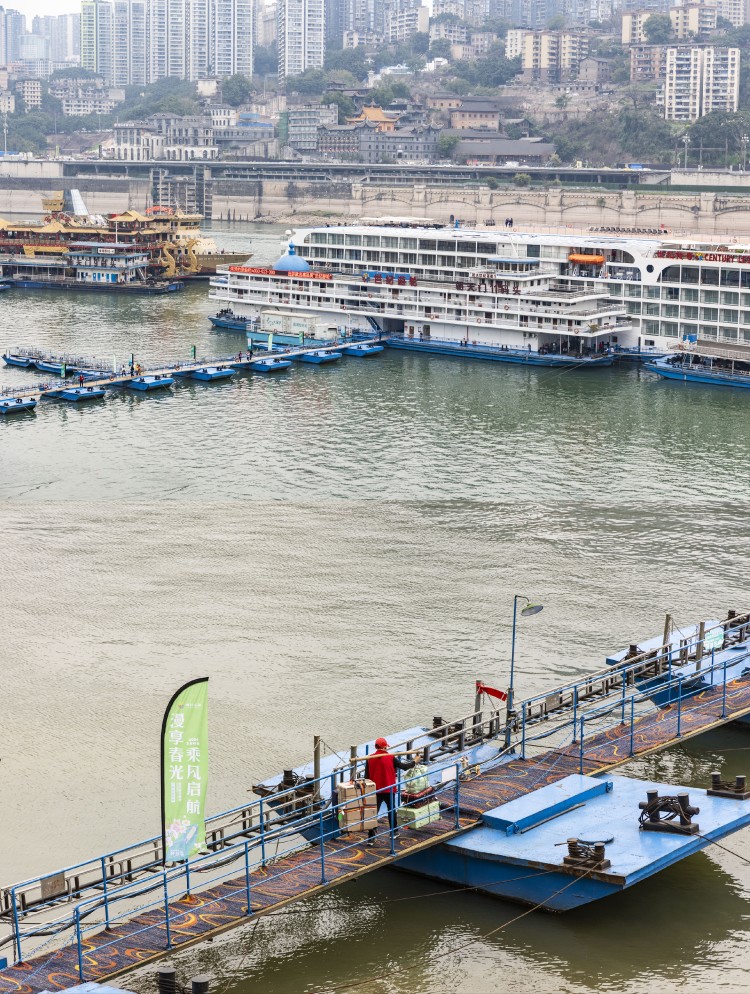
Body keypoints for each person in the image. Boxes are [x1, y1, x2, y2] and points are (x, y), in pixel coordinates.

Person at [365, 738, 414, 846]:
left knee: (373, 813)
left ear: (376, 747)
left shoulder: (369, 759)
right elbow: (404, 767)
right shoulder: (391, 757)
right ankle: (393, 832)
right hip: (389, 789)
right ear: (384, 747)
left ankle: (371, 838)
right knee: (391, 810)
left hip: (375, 790)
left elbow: (366, 777)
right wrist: (415, 762)